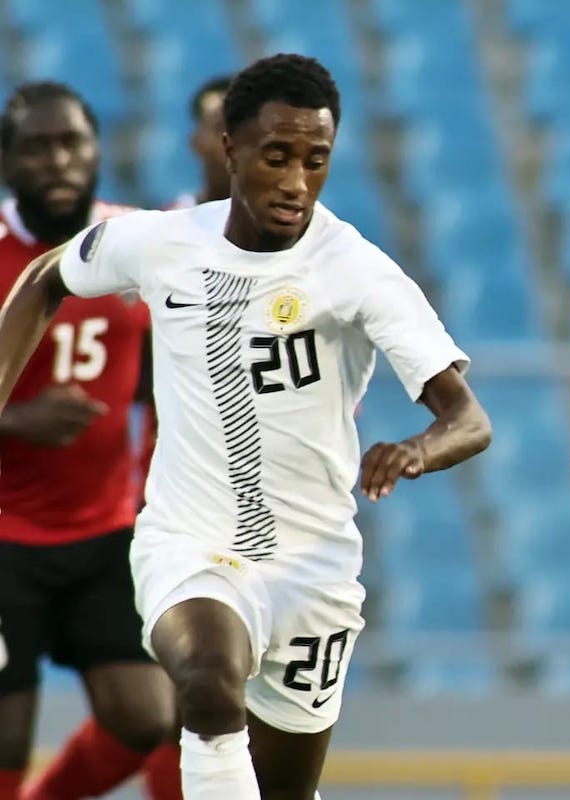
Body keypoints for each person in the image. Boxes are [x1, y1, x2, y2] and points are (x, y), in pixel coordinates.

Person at [0, 54, 491, 799]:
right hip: (189, 542)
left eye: (315, 160)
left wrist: (420, 449)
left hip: (313, 566)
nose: (296, 181)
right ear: (229, 150)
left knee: (284, 786)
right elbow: (45, 279)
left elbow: (468, 419)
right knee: (205, 681)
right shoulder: (162, 243)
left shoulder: (357, 270)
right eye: (276, 157)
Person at [0, 82, 181, 800]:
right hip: (5, 535)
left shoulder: (135, 247)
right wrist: (14, 420)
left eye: (72, 143)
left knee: (146, 715)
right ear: (9, 160)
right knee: (7, 736)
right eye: (38, 147)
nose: (58, 161)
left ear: (97, 151)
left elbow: (156, 377)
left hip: (103, 530)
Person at [170, 75, 233, 209]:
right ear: (196, 142)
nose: (235, 140)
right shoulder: (167, 223)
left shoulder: (283, 220)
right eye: (221, 127)